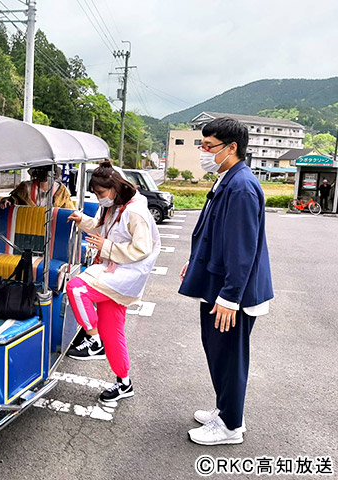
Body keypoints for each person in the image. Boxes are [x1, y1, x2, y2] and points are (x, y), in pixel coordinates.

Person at [179, 117, 273, 446]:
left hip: (234, 294)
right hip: (219, 285)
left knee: (229, 357)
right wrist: (194, 265)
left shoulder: (242, 186)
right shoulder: (227, 179)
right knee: (218, 352)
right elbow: (214, 234)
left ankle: (231, 426)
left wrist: (230, 297)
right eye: (202, 145)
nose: (203, 152)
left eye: (209, 146)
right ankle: (226, 408)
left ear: (231, 148)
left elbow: (242, 248)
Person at [65, 160, 160, 404]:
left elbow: (142, 248)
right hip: (113, 272)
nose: (98, 198)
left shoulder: (135, 211)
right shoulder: (115, 205)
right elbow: (102, 228)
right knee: (113, 332)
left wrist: (106, 247)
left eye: (100, 193)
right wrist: (82, 220)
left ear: (115, 187)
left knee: (76, 289)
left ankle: (94, 341)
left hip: (123, 274)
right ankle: (124, 382)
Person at [0, 165, 75, 209]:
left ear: (54, 174)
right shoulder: (25, 187)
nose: (44, 175)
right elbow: (13, 199)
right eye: (41, 171)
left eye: (47, 172)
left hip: (52, 228)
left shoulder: (61, 190)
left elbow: (69, 210)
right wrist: (7, 202)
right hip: (29, 226)